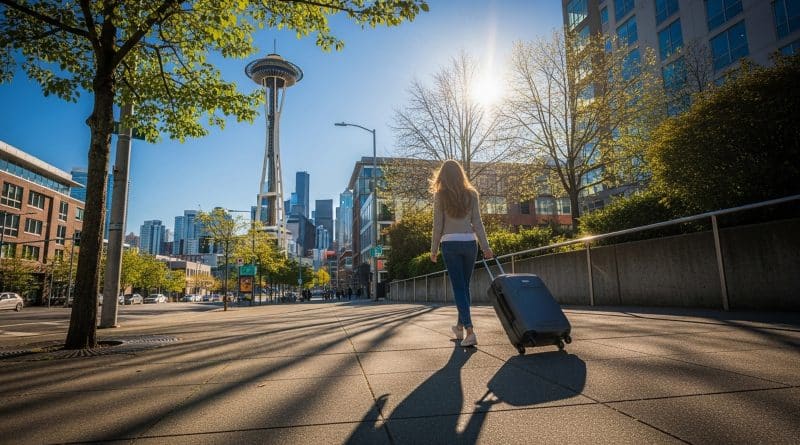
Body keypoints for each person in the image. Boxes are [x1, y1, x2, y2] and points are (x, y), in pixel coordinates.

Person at [430, 159, 493, 347]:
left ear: (443, 175)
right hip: (469, 244)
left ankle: (470, 330)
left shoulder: (440, 195)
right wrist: (485, 246)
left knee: (459, 288)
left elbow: (438, 225)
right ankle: (459, 327)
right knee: (464, 288)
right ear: (461, 174)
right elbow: (477, 222)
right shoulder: (472, 194)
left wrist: (433, 250)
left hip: (450, 244)